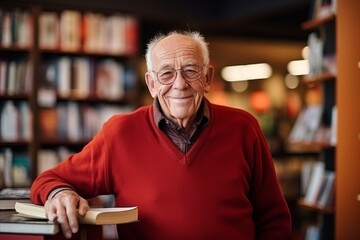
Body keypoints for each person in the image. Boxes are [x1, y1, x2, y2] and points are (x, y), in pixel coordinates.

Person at [30, 30, 292, 239]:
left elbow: (274, 219)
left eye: (191, 71)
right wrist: (60, 194)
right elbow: (49, 179)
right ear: (151, 83)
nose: (179, 84)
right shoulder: (120, 133)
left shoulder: (244, 128)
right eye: (166, 73)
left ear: (208, 77)